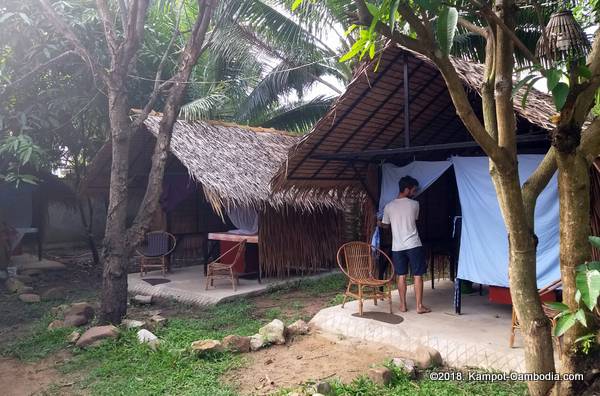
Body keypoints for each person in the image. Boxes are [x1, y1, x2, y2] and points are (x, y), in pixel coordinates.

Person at [379, 176, 431, 314]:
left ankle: (403, 305)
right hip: (413, 244)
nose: (414, 193)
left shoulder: (388, 207)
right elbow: (414, 219)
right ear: (407, 189)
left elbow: (385, 225)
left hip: (398, 247)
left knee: (401, 275)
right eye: (413, 190)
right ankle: (419, 306)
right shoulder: (415, 205)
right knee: (417, 275)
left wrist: (379, 223)